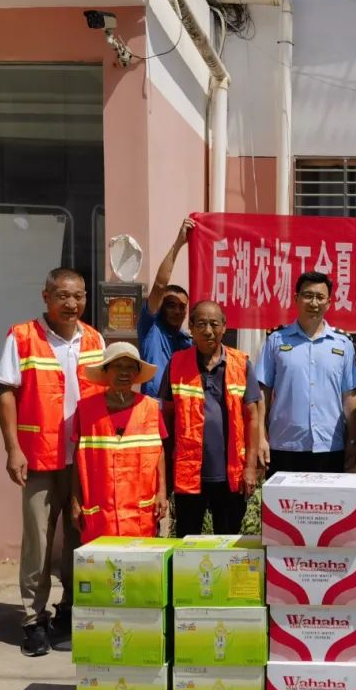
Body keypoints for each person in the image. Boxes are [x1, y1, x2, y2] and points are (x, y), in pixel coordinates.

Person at [0, 267, 105, 657]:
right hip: (39, 457)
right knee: (38, 542)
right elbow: (6, 393)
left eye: (78, 296)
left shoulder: (94, 339)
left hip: (83, 460)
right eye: (63, 296)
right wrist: (13, 449)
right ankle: (33, 619)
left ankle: (71, 608)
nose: (71, 303)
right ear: (46, 297)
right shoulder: (22, 336)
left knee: (79, 537)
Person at [160, 301, 262, 536]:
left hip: (230, 474)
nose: (208, 331)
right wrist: (166, 473)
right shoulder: (176, 363)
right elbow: (166, 418)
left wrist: (250, 468)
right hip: (189, 472)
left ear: (224, 327)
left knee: (228, 540)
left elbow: (252, 418)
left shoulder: (241, 364)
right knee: (187, 540)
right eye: (201, 324)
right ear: (191, 327)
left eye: (214, 324)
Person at [256, 272, 356, 474]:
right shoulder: (276, 340)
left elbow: (350, 397)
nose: (314, 303)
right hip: (284, 445)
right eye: (308, 295)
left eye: (320, 297)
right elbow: (263, 392)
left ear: (328, 303)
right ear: (296, 298)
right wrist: (260, 436)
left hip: (330, 447)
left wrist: (353, 441)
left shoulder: (343, 344)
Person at [71, 343, 167, 542]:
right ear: (105, 371)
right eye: (117, 366)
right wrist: (75, 499)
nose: (124, 372)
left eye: (130, 367)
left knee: (138, 559)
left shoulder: (150, 408)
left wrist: (162, 492)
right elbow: (78, 458)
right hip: (101, 511)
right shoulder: (86, 409)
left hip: (138, 513)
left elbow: (159, 453)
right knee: (100, 559)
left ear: (137, 373)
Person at [137, 218, 194, 397]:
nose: (177, 311)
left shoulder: (189, 342)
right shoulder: (150, 329)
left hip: (181, 409)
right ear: (161, 306)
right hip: (154, 408)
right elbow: (160, 285)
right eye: (171, 305)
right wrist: (178, 244)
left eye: (182, 307)